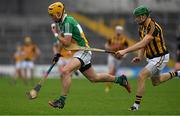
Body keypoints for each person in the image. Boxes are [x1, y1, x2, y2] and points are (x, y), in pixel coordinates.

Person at [47, 2, 131, 109]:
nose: (51, 17)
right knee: (94, 78)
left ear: (58, 13)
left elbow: (67, 42)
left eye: (52, 15)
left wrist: (55, 34)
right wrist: (58, 53)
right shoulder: (61, 23)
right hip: (78, 52)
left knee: (65, 71)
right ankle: (120, 79)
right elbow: (63, 41)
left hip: (83, 51)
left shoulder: (68, 22)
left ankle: (61, 101)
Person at [115, 5, 180, 111]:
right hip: (151, 58)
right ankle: (177, 73)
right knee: (156, 82)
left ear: (143, 16)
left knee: (141, 76)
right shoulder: (141, 27)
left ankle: (136, 106)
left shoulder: (153, 27)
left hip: (160, 57)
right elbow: (143, 44)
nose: (135, 19)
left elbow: (144, 42)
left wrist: (124, 51)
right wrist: (140, 56)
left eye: (137, 17)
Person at [104, 25, 129, 93]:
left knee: (114, 72)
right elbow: (106, 45)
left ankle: (109, 85)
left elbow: (127, 48)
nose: (118, 31)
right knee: (111, 71)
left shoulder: (124, 39)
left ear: (122, 31)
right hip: (112, 56)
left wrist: (125, 55)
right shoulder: (111, 38)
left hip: (119, 58)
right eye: (117, 30)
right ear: (115, 31)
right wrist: (109, 48)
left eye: (120, 30)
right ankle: (107, 86)